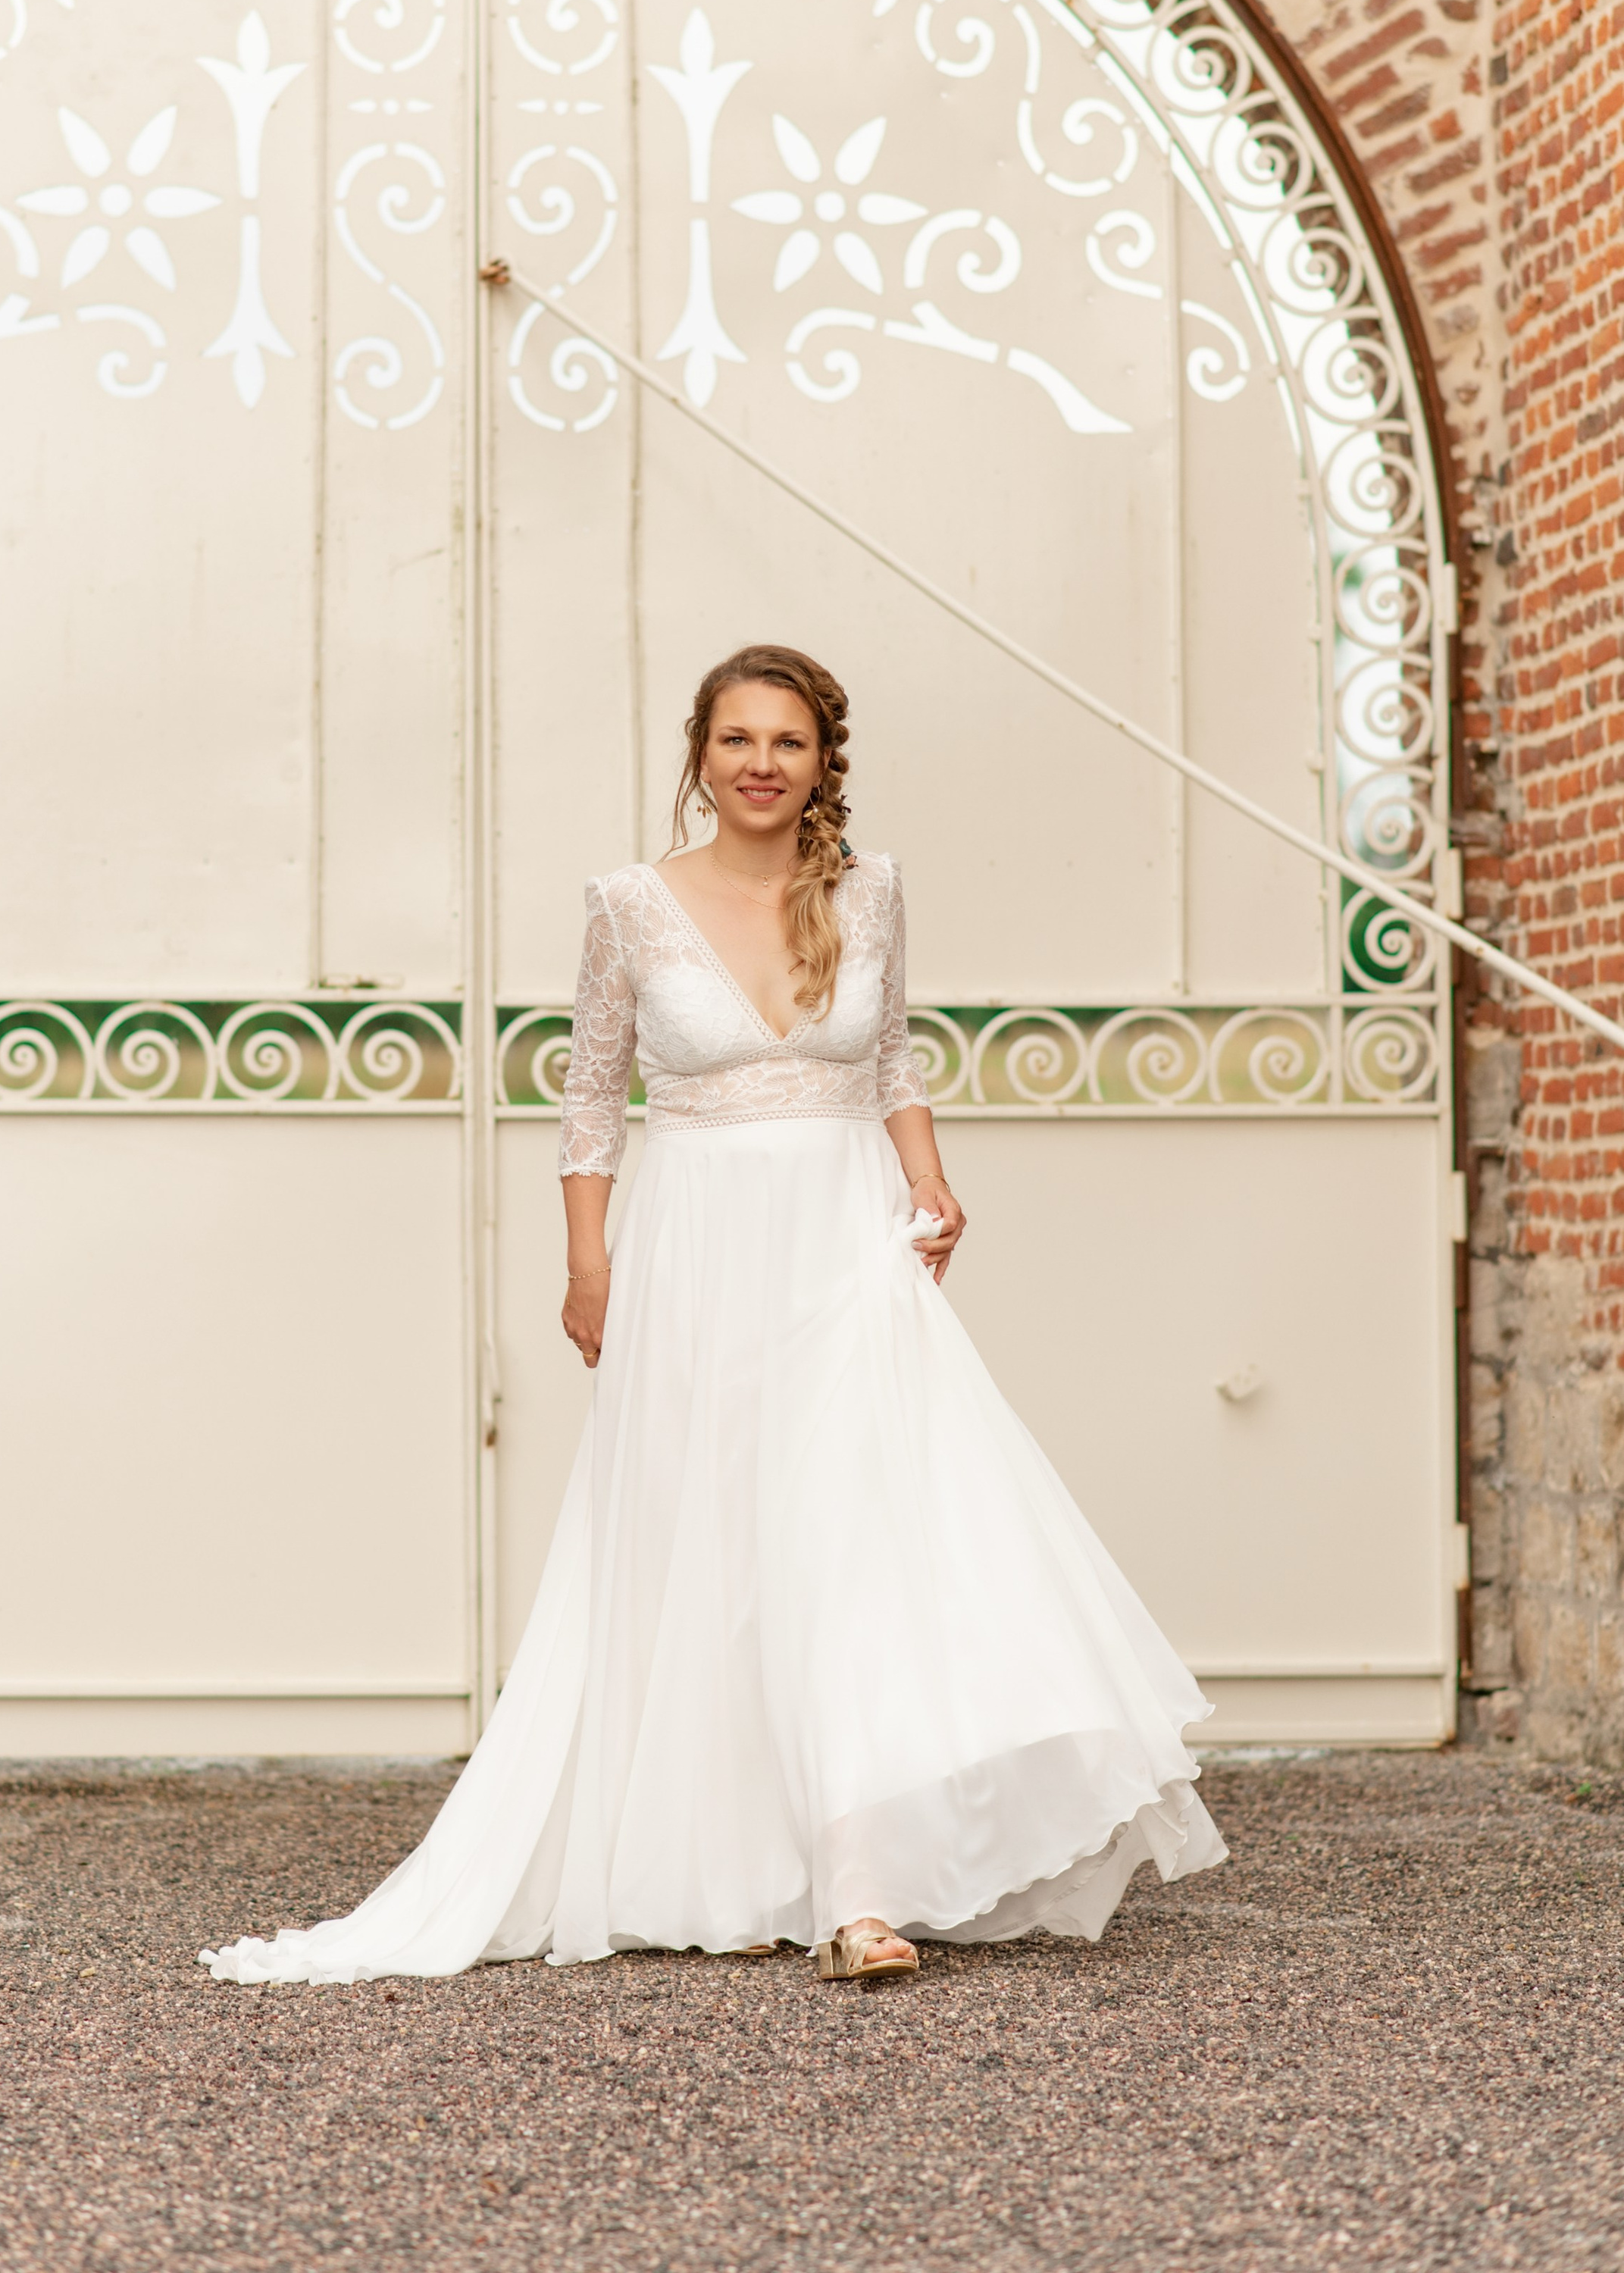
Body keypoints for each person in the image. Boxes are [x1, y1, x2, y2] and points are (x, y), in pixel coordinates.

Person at [201, 643, 1225, 1990]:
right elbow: (590, 1096)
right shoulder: (631, 905)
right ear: (701, 756)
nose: (761, 763)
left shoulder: (871, 891)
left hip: (846, 1245)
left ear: (821, 763)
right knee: (717, 1543)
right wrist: (587, 1264)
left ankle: (859, 1892)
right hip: (692, 1256)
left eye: (787, 742)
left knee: (854, 1539)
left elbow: (896, 1052)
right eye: (738, 739)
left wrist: (929, 1175)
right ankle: (739, 1869)